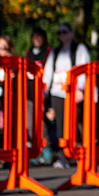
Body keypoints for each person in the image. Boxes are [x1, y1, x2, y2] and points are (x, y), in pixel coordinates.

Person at [43, 22, 90, 169]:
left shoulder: (79, 49)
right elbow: (48, 72)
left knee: (74, 123)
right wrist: (44, 92)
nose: (62, 35)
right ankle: (64, 155)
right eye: (60, 32)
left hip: (74, 92)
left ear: (71, 33)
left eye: (65, 32)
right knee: (61, 125)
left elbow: (84, 67)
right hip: (58, 92)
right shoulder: (55, 52)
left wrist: (80, 89)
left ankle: (79, 154)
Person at [26, 28, 52, 165]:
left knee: (41, 123)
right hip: (28, 93)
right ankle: (36, 150)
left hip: (41, 92)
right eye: (33, 36)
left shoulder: (48, 53)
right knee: (30, 123)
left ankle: (46, 149)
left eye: (39, 36)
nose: (36, 39)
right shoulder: (28, 53)